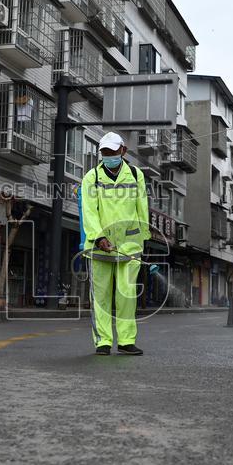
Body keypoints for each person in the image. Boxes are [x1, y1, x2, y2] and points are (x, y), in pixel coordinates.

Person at [81, 132, 150, 356]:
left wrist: (144, 236)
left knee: (126, 295)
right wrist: (98, 237)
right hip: (99, 245)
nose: (108, 156)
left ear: (123, 151)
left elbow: (142, 207)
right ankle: (102, 341)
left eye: (112, 152)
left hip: (130, 246)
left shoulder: (135, 174)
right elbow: (89, 211)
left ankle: (126, 340)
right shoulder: (92, 177)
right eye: (105, 153)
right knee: (100, 296)